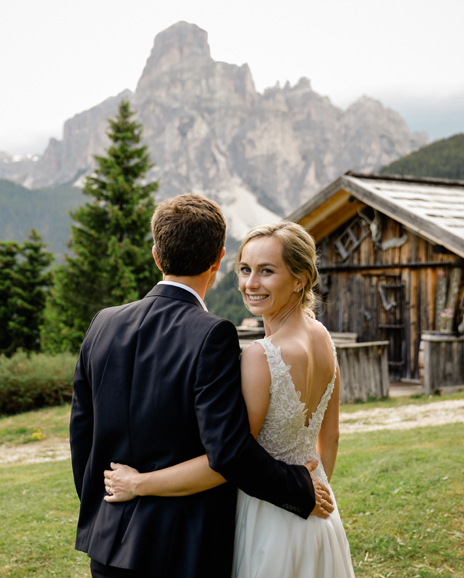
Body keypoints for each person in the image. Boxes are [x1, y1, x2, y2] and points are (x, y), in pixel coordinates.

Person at [70, 196, 334, 578]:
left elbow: (82, 432)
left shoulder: (103, 323)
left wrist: (103, 506)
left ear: (157, 256)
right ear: (219, 259)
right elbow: (228, 451)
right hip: (182, 547)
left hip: (107, 540)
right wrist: (301, 489)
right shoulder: (212, 334)